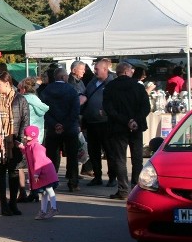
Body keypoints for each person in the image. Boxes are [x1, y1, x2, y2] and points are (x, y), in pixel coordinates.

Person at [102, 62, 151, 199]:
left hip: (118, 127)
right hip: (136, 127)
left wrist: (125, 120)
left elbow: (109, 108)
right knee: (137, 158)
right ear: (127, 71)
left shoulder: (110, 87)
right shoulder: (137, 86)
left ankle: (123, 189)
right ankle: (136, 187)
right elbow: (145, 107)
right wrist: (134, 120)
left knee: (120, 159)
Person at [0, 71, 29, 216]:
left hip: (14, 142)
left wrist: (19, 140)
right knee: (0, 172)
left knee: (13, 172)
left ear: (7, 84)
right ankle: (3, 204)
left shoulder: (20, 99)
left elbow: (25, 120)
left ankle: (13, 202)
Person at [40, 68, 80, 192]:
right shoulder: (72, 91)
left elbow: (44, 110)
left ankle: (51, 181)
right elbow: (75, 111)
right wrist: (65, 125)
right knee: (72, 156)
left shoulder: (47, 90)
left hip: (53, 129)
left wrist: (55, 124)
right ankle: (73, 182)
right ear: (63, 77)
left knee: (52, 155)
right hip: (70, 128)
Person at [81, 58, 117, 187]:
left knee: (109, 151)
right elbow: (85, 93)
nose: (95, 71)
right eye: (95, 69)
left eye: (97, 69)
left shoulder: (112, 83)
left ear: (105, 69)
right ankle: (97, 176)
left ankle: (112, 177)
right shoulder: (93, 82)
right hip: (91, 122)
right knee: (93, 151)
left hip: (106, 123)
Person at [16, 77, 49, 203]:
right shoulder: (38, 100)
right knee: (35, 166)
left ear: (23, 89)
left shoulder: (22, 99)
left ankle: (24, 191)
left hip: (27, 135)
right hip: (38, 136)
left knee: (21, 166)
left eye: (19, 89)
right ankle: (36, 190)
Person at [18, 125, 59, 220]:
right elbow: (28, 153)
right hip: (42, 172)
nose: (24, 137)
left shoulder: (36, 147)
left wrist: (36, 173)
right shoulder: (30, 146)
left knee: (49, 189)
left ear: (32, 135)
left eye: (26, 135)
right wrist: (21, 147)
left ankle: (54, 208)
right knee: (44, 193)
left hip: (44, 172)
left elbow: (39, 161)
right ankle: (43, 211)